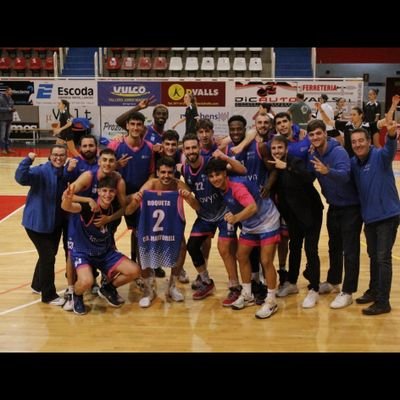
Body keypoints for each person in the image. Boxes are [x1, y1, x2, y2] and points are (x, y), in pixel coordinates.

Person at [205, 158, 281, 319]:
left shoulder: (236, 187)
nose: (215, 179)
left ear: (225, 174)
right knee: (241, 255)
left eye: (217, 174)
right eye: (211, 176)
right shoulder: (223, 187)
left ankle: (271, 300)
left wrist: (235, 218)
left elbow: (252, 207)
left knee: (266, 260)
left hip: (267, 219)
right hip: (251, 223)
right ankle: (247, 294)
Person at [126, 156, 200, 307]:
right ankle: (148, 290)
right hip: (150, 227)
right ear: (157, 173)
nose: (166, 176)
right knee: (143, 250)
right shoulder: (149, 185)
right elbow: (128, 211)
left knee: (181, 248)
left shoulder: (179, 186)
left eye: (169, 172)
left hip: (171, 228)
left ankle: (172, 287)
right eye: (163, 172)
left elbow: (197, 207)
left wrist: (189, 198)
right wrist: (136, 199)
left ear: (174, 173)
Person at [61, 177, 141, 315]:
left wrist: (110, 218)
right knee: (86, 281)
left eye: (111, 191)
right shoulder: (88, 207)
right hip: (83, 252)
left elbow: (124, 210)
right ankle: (77, 295)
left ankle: (108, 288)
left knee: (135, 271)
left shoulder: (113, 205)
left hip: (104, 252)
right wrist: (68, 198)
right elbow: (67, 207)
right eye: (104, 191)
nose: (107, 194)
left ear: (115, 193)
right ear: (98, 191)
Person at [307, 119, 363, 309]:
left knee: (350, 250)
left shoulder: (337, 151)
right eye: (312, 134)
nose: (315, 137)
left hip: (351, 207)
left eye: (318, 133)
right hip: (334, 206)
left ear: (325, 134)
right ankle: (333, 281)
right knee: (334, 247)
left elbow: (345, 175)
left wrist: (327, 171)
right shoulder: (313, 153)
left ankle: (348, 291)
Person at [351, 120, 400, 315]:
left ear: (369, 141)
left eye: (361, 141)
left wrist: (391, 135)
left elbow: (390, 147)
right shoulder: (354, 163)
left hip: (388, 216)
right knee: (373, 256)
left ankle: (383, 301)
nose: (358, 145)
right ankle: (373, 291)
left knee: (383, 258)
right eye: (354, 142)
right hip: (369, 218)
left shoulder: (380, 156)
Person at [15, 145, 69, 306]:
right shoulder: (40, 171)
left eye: (61, 155)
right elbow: (21, 178)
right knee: (48, 257)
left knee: (48, 253)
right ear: (49, 156)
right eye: (55, 155)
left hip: (54, 223)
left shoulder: (65, 172)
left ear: (66, 157)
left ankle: (37, 284)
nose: (58, 158)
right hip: (37, 223)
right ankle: (48, 295)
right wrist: (27, 160)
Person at [0, 86, 15, 155]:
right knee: (2, 135)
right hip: (2, 119)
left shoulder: (11, 98)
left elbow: (12, 106)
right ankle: (3, 149)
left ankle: (7, 148)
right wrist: (7, 109)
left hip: (9, 118)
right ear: (6, 91)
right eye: (10, 90)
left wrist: (13, 109)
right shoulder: (1, 98)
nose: (12, 91)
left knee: (7, 135)